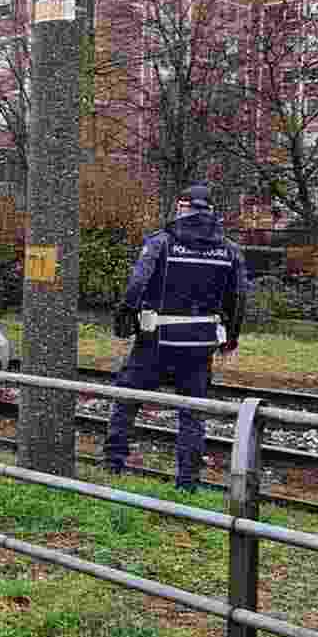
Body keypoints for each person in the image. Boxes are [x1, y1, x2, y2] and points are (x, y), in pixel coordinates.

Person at [104, 184, 249, 492]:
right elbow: (238, 298)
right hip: (199, 345)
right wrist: (231, 338)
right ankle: (187, 482)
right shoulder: (230, 250)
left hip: (155, 341)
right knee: (192, 414)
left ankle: (113, 464)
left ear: (182, 208)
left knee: (127, 400)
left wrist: (122, 321)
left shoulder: (162, 242)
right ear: (211, 211)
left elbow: (137, 285)